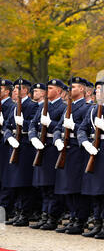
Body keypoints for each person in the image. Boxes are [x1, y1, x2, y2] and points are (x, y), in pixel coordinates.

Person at [78, 78, 104, 239]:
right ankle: (97, 222)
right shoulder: (92, 109)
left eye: (98, 89)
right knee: (94, 191)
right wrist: (85, 143)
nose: (95, 92)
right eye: (95, 89)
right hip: (93, 151)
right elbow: (82, 129)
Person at [53, 77, 92, 235]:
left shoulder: (87, 107)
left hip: (78, 150)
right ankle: (73, 217)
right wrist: (57, 140)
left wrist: (74, 127)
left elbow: (89, 130)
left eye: (74, 87)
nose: (71, 90)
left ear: (82, 89)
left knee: (76, 187)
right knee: (67, 186)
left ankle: (79, 219)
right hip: (65, 149)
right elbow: (57, 127)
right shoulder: (67, 107)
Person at [28, 79, 67, 230]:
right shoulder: (43, 106)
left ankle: (53, 216)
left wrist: (49, 123)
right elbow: (32, 124)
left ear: (58, 91)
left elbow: (61, 127)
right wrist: (33, 137)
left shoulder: (62, 107)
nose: (47, 90)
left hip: (52, 148)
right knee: (43, 185)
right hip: (40, 147)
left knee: (51, 185)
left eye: (50, 88)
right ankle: (45, 215)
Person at [3, 78, 39, 226]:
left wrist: (22, 123)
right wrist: (9, 137)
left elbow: (34, 124)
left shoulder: (33, 105)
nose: (15, 92)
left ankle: (24, 212)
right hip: (14, 144)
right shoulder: (13, 106)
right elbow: (6, 126)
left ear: (25, 90)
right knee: (14, 181)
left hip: (26, 145)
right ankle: (17, 211)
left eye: (18, 89)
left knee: (23, 181)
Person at [0, 79, 16, 217]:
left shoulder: (11, 105)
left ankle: (4, 209)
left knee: (4, 176)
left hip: (4, 144)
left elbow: (10, 125)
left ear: (6, 91)